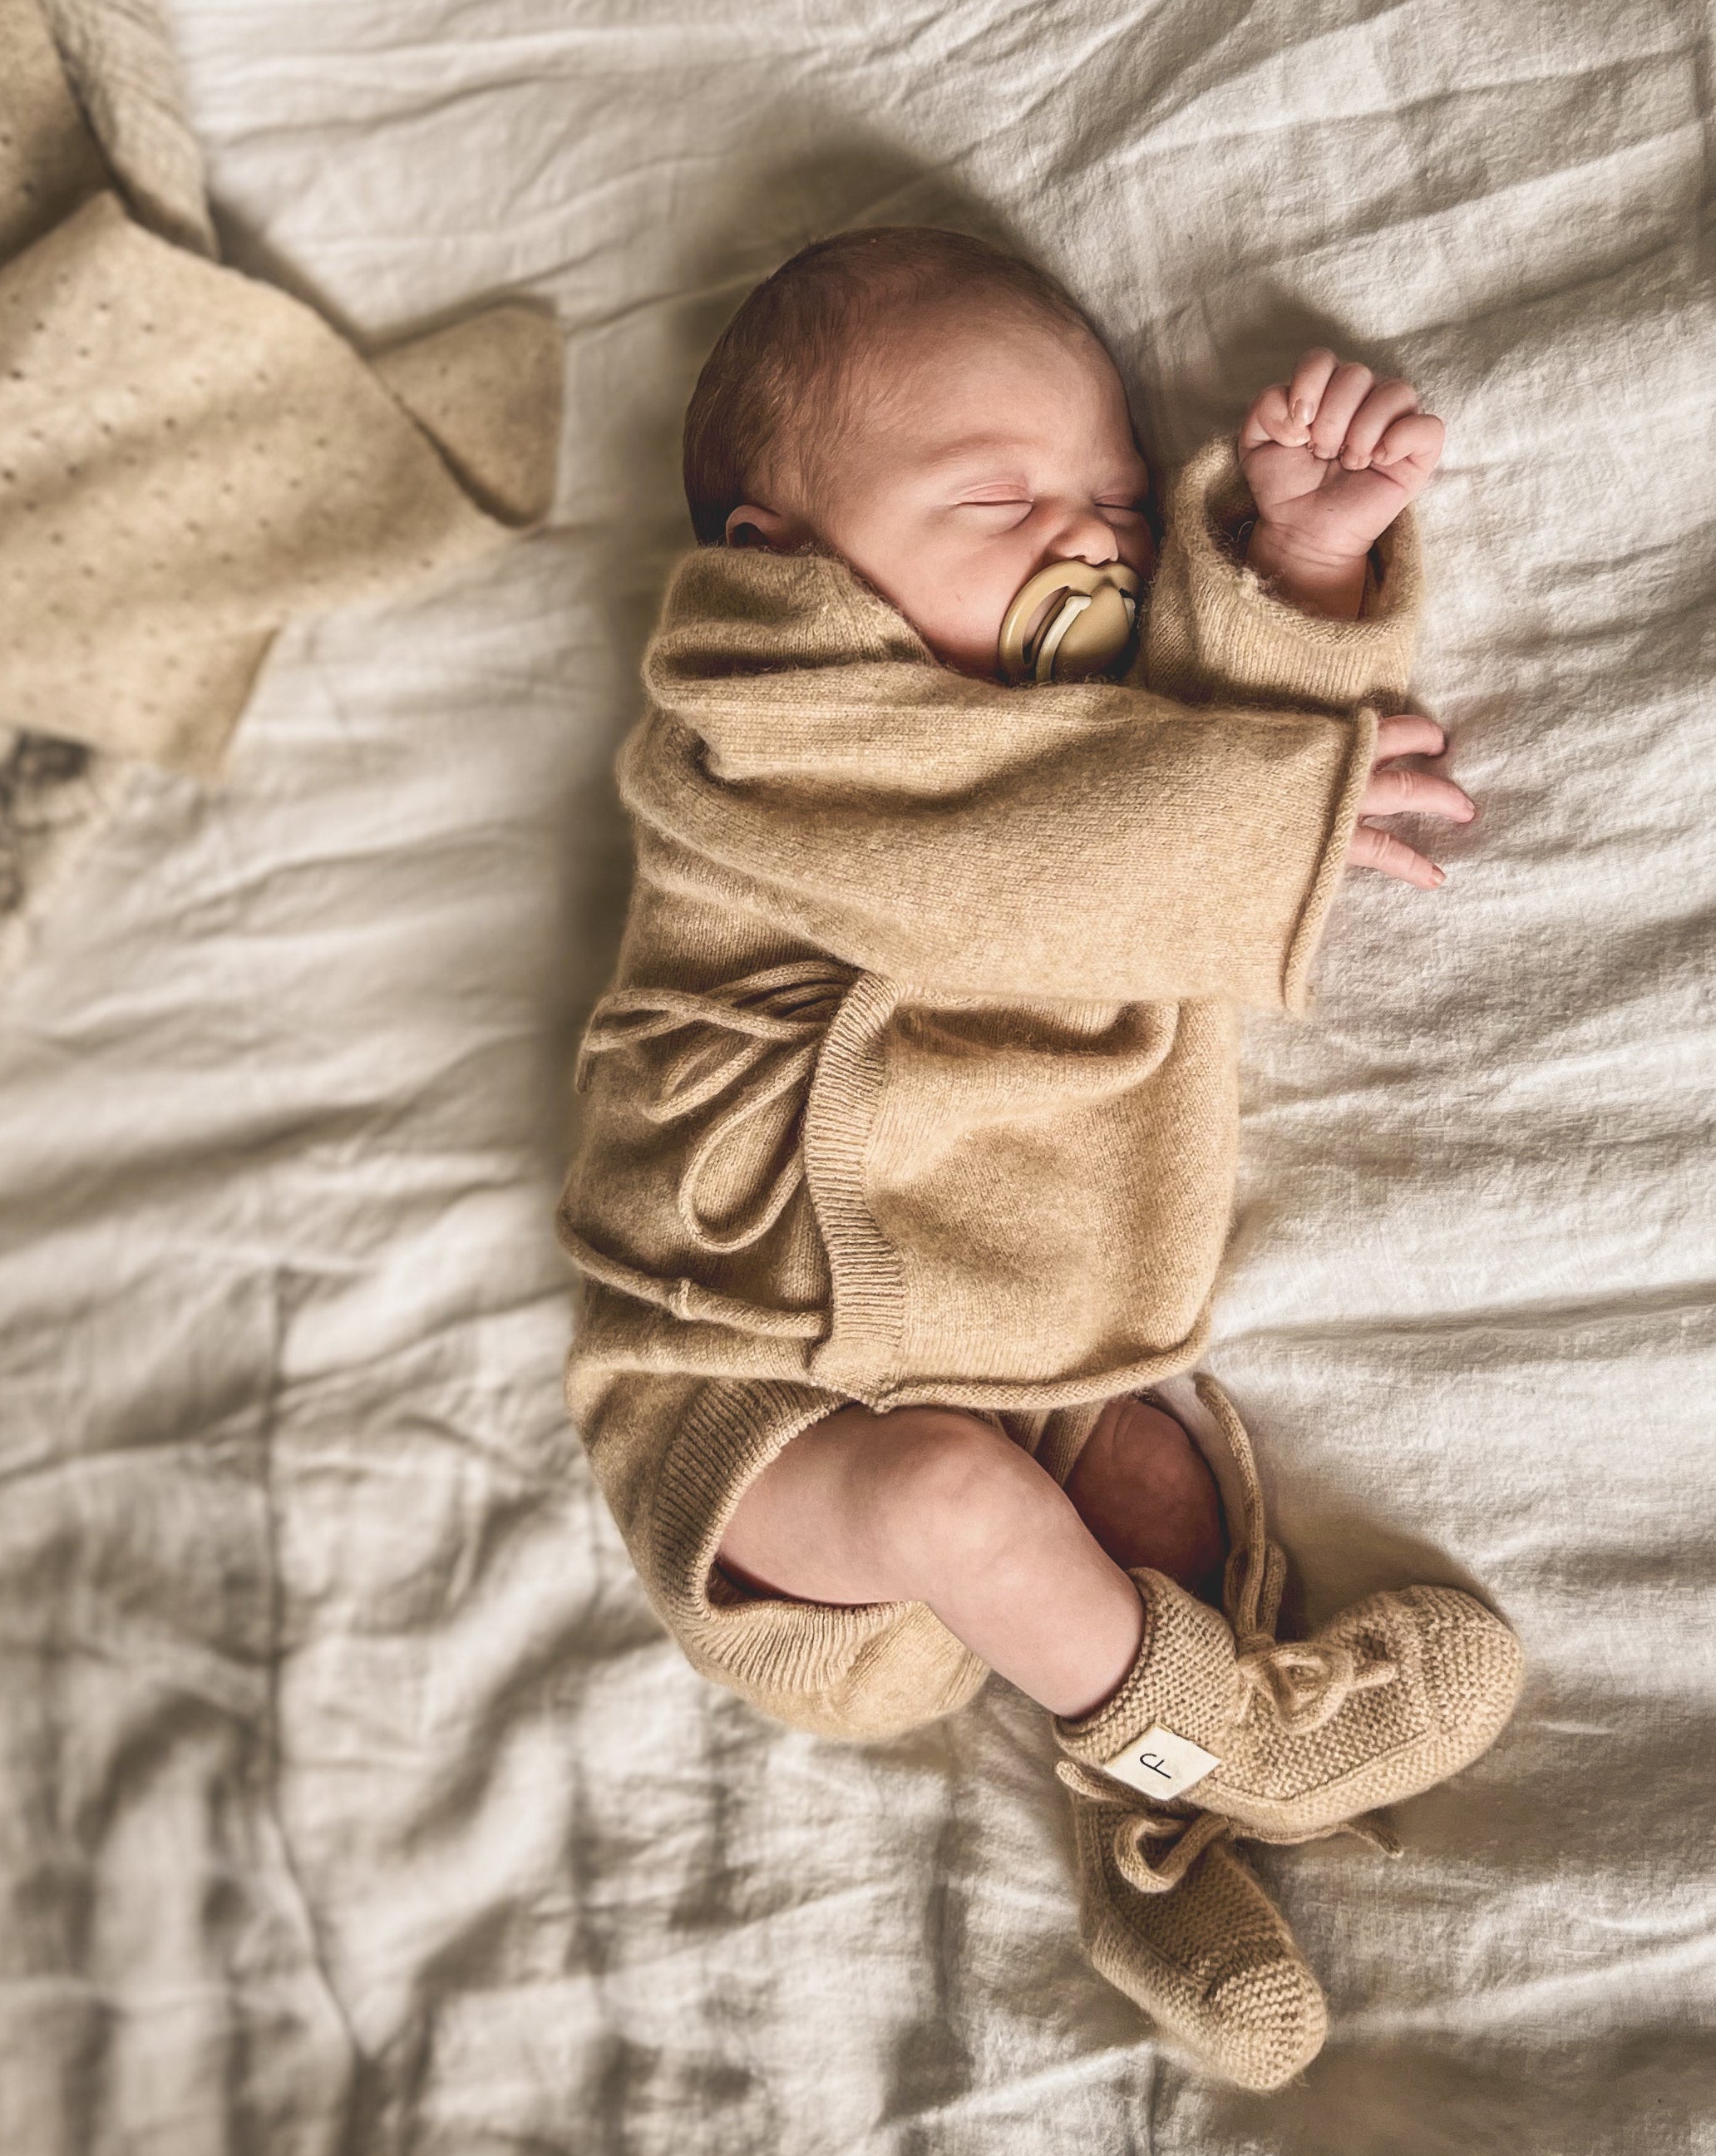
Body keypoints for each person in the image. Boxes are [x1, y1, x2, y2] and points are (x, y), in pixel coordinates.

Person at [558, 227, 1523, 2088]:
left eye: (1110, 501)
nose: (1084, 536)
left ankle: (1151, 1826)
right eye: (997, 497)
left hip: (1029, 1362)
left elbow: (1193, 760)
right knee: (947, 1500)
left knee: (1151, 1482)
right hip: (744, 1401)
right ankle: (1245, 1741)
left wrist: (1298, 564)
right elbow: (1009, 860)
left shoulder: (1097, 740)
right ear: (779, 562)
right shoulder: (752, 729)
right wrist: (1270, 832)